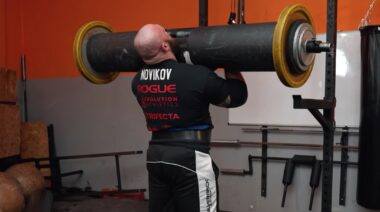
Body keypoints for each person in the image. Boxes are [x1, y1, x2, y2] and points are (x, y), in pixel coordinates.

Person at [131, 24, 248, 212]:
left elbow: (175, 79)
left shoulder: (137, 82)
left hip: (157, 157)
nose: (171, 35)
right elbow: (236, 96)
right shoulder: (197, 76)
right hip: (189, 158)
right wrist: (229, 59)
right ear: (164, 46)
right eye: (166, 34)